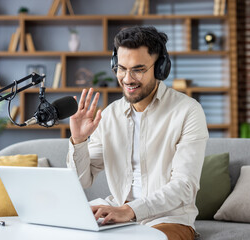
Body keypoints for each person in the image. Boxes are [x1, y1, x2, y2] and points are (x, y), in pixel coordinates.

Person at [66, 26, 208, 240]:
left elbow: (184, 186)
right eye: (122, 68)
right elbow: (82, 180)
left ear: (160, 68)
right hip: (117, 210)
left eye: (138, 69)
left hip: (167, 219)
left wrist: (130, 210)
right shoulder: (110, 115)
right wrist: (78, 140)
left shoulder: (188, 111)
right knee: (60, 227)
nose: (127, 79)